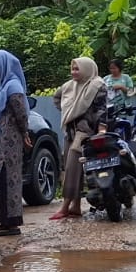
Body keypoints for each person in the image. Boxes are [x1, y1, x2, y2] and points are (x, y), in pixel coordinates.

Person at [52, 56, 107, 220]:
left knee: (72, 167)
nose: (74, 72)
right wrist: (67, 111)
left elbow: (102, 109)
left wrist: (101, 128)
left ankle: (64, 206)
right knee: (74, 168)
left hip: (85, 131)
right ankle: (75, 206)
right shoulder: (69, 86)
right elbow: (57, 98)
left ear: (87, 69)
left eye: (77, 69)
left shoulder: (97, 85)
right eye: (73, 68)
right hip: (70, 130)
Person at [0, 50, 30, 237]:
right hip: (0, 141)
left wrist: (25, 132)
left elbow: (21, 113)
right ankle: (2, 220)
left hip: (9, 142)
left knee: (7, 178)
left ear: (2, 67)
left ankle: (11, 222)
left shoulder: (13, 86)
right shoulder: (2, 86)